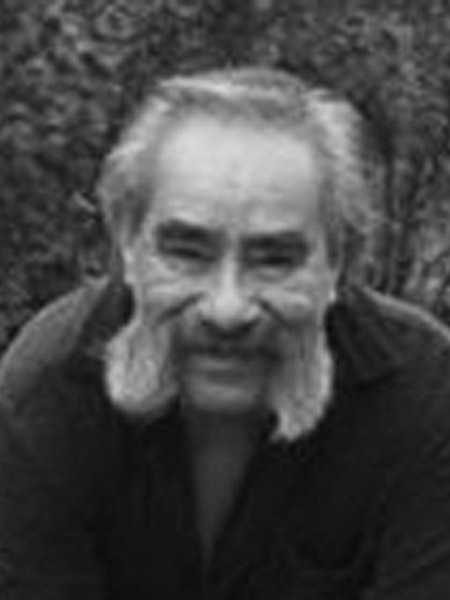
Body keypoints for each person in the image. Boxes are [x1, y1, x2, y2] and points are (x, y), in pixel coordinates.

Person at [1, 67, 450, 600]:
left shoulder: (424, 396)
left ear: (338, 265)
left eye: (274, 259)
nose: (228, 309)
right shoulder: (47, 393)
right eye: (187, 253)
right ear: (127, 245)